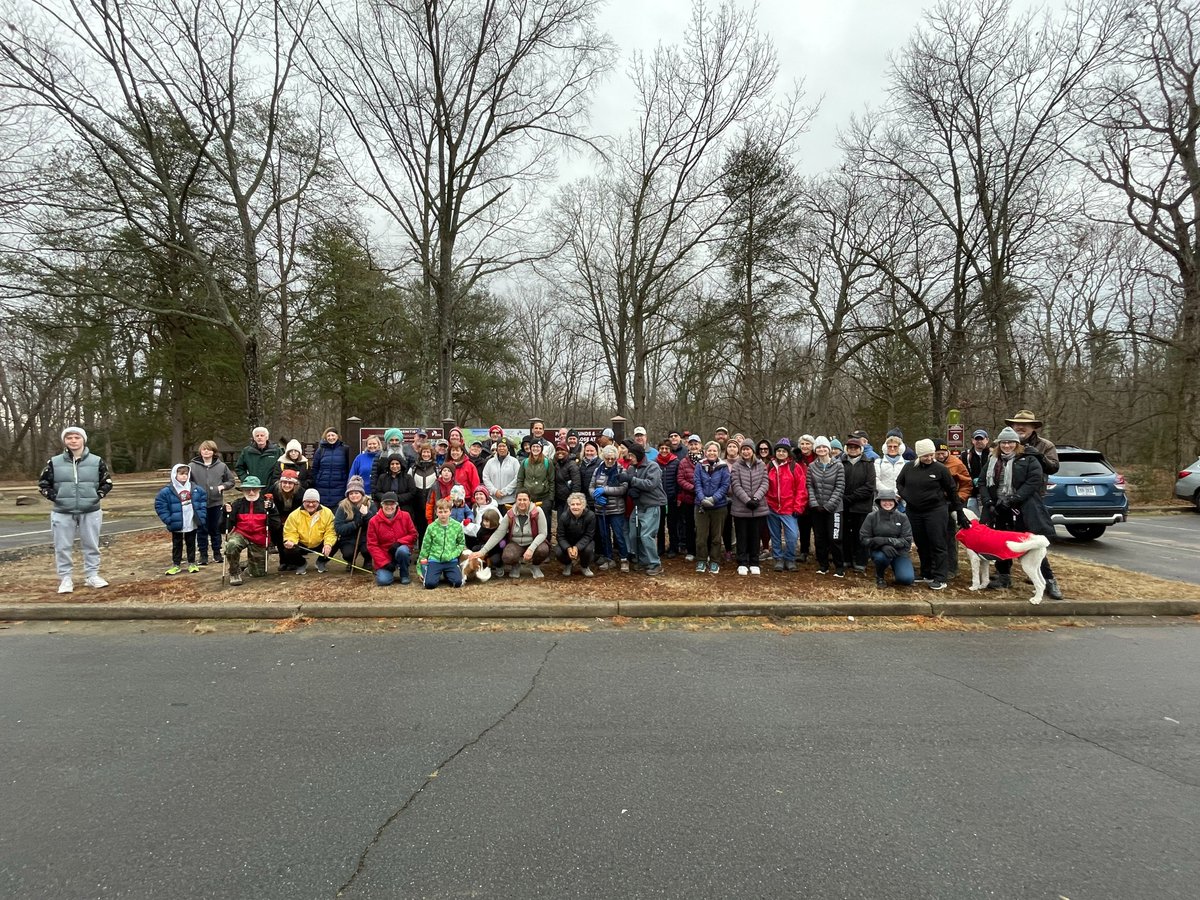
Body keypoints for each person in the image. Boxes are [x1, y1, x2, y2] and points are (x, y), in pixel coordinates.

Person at [981, 426, 1062, 599]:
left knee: (1032, 544)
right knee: (1001, 542)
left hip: (1023, 508)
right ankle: (1004, 576)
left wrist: (1014, 499)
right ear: (999, 444)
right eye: (1003, 442)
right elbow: (982, 482)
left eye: (1010, 442)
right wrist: (988, 501)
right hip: (999, 508)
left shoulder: (1028, 459)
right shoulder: (993, 460)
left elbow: (1034, 481)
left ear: (1016, 444)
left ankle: (1049, 580)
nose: (1007, 445)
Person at [38, 426, 112, 594]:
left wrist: (96, 496)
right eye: (69, 437)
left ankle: (92, 575)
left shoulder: (96, 461)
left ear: (83, 440)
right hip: (62, 512)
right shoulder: (54, 462)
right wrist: (57, 498)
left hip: (91, 510)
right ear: (64, 441)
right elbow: (43, 484)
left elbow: (107, 482)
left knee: (91, 544)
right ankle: (65, 578)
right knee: (62, 546)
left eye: (76, 437)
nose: (73, 440)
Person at [895, 439, 969, 591]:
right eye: (925, 456)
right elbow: (899, 483)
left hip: (935, 510)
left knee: (937, 543)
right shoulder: (909, 467)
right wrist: (906, 495)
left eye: (931, 455)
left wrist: (959, 512)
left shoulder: (940, 469)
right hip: (914, 511)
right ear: (918, 456)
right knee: (921, 543)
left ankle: (941, 577)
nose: (929, 458)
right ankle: (926, 572)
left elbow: (952, 491)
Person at [470, 490, 551, 578]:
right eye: (519, 500)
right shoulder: (510, 514)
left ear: (529, 500)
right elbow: (498, 534)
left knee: (543, 550)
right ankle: (515, 565)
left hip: (533, 542)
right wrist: (483, 551)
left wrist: (531, 548)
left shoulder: (537, 511)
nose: (522, 502)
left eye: (525, 500)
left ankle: (535, 566)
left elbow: (543, 533)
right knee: (507, 556)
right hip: (516, 543)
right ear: (515, 501)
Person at [154, 463, 208, 575]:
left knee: (191, 542)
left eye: (186, 474)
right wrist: (168, 519)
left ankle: (192, 563)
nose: (184, 476)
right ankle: (176, 564)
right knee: (177, 544)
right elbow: (160, 505)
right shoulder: (167, 491)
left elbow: (203, 500)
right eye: (181, 474)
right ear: (175, 474)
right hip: (177, 523)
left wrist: (201, 514)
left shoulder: (195, 488)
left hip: (191, 521)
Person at [623, 442, 666, 576]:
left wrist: (632, 481)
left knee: (646, 535)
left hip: (651, 505)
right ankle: (643, 560)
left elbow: (650, 484)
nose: (630, 458)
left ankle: (655, 564)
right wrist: (630, 489)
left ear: (639, 454)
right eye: (629, 455)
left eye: (632, 455)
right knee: (634, 534)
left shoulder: (652, 466)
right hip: (638, 506)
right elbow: (629, 483)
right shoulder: (631, 468)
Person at [190, 440, 235, 566]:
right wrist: (195, 490)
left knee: (215, 529)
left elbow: (231, 481)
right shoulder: (192, 466)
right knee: (201, 529)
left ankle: (217, 553)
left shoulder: (221, 466)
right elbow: (188, 482)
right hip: (199, 503)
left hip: (215, 502)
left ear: (214, 452)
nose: (206, 452)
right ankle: (203, 555)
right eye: (204, 449)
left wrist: (222, 487)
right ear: (200, 451)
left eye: (209, 449)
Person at [859, 489, 915, 588]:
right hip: (879, 551)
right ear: (879, 502)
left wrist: (886, 541)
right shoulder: (871, 517)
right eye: (884, 500)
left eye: (890, 500)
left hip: (899, 552)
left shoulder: (902, 517)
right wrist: (882, 546)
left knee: (906, 579)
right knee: (881, 557)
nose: (887, 503)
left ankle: (898, 568)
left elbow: (907, 540)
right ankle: (879, 576)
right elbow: (864, 538)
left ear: (895, 502)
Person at [807, 437, 846, 577]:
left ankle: (839, 567)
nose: (821, 450)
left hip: (835, 509)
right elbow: (809, 486)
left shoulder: (838, 465)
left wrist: (830, 505)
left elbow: (840, 487)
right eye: (818, 447)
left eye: (824, 447)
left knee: (835, 538)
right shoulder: (811, 466)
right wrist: (814, 503)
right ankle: (823, 565)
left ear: (829, 449)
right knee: (820, 538)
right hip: (817, 509)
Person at [766, 438, 806, 571]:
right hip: (772, 506)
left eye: (784, 451)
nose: (781, 453)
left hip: (789, 508)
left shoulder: (795, 467)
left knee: (792, 536)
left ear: (788, 453)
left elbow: (801, 489)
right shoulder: (770, 466)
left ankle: (790, 558)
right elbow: (765, 485)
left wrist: (798, 506)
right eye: (779, 451)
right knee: (775, 535)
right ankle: (778, 558)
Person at [729, 440, 768, 575]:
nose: (746, 452)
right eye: (743, 449)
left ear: (752, 451)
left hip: (758, 507)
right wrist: (747, 500)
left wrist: (756, 498)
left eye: (748, 449)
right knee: (742, 536)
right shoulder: (736, 466)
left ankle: (754, 561)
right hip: (741, 507)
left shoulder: (761, 465)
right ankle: (742, 562)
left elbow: (765, 482)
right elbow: (735, 484)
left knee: (755, 536)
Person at [222, 476, 270, 584]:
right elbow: (224, 528)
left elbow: (275, 525)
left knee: (258, 574)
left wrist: (271, 510)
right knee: (231, 545)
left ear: (259, 490)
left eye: (254, 489)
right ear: (243, 490)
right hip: (241, 534)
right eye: (247, 489)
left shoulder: (266, 504)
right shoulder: (237, 504)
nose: (251, 492)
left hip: (259, 537)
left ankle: (247, 564)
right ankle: (234, 572)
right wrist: (225, 514)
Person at [936, 441, 974, 578]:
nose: (941, 456)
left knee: (949, 536)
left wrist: (959, 500)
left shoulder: (956, 464)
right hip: (933, 504)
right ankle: (935, 565)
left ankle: (951, 567)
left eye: (943, 453)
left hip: (950, 503)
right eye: (938, 454)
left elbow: (967, 484)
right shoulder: (929, 463)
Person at [591, 444, 631, 572]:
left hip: (616, 509)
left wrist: (605, 490)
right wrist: (595, 495)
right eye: (607, 458)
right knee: (604, 535)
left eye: (612, 458)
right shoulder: (598, 470)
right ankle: (609, 558)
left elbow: (623, 488)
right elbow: (591, 487)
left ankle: (624, 558)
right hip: (600, 508)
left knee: (619, 535)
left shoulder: (621, 470)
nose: (609, 461)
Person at [694, 440, 731, 574]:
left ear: (719, 452)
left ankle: (715, 560)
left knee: (716, 536)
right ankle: (702, 559)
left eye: (714, 450)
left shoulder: (723, 467)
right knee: (701, 537)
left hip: (719, 506)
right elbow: (697, 482)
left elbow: (725, 485)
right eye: (709, 450)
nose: (712, 453)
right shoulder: (699, 465)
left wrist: (714, 498)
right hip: (701, 506)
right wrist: (702, 498)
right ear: (705, 452)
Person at [367, 491, 418, 586]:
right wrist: (384, 563)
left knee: (402, 551)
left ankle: (404, 573)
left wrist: (399, 542)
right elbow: (372, 545)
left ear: (396, 505)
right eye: (386, 504)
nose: (389, 507)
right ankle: (387, 570)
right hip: (384, 555)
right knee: (383, 581)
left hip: (401, 550)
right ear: (382, 505)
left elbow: (413, 534)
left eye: (392, 504)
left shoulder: (405, 516)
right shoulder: (373, 521)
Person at [840, 436, 875, 575]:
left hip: (862, 506)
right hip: (844, 505)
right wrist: (844, 498)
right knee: (845, 534)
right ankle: (846, 558)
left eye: (855, 448)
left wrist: (852, 497)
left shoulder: (868, 463)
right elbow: (837, 482)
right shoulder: (840, 463)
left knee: (860, 534)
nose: (853, 450)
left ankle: (860, 561)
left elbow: (870, 486)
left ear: (860, 449)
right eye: (850, 448)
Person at [282, 488, 336, 575]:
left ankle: (321, 561)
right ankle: (301, 563)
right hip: (302, 544)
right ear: (303, 502)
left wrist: (328, 544)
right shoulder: (294, 515)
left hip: (320, 543)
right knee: (288, 549)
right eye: (308, 501)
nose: (311, 504)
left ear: (318, 502)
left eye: (314, 502)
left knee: (335, 542)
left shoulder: (327, 513)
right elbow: (290, 532)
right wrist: (290, 540)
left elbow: (331, 531)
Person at [419, 498, 466, 589]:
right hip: (435, 560)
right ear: (436, 513)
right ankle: (434, 574)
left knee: (457, 583)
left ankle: (448, 574)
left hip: (451, 560)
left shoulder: (457, 526)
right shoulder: (431, 527)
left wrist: (453, 554)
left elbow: (461, 544)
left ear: (450, 512)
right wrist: (419, 568)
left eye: (445, 511)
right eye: (440, 512)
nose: (443, 514)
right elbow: (425, 547)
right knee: (430, 584)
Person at [332, 476, 374, 572]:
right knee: (348, 553)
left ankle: (368, 560)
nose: (354, 495)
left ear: (362, 494)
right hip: (348, 538)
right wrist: (355, 524)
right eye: (351, 493)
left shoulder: (369, 504)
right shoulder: (342, 507)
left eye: (356, 493)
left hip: (365, 537)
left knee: (367, 549)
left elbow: (374, 524)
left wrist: (367, 514)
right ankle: (350, 561)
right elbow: (338, 528)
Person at [266, 469, 304, 570]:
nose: (287, 485)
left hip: (294, 517)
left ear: (295, 484)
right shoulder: (274, 490)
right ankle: (283, 561)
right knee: (279, 537)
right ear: (280, 482)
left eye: (290, 483)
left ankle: (293, 561)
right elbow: (265, 500)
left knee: (292, 537)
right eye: (284, 482)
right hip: (278, 516)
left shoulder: (301, 492)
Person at [675, 434, 702, 561]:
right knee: (690, 526)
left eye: (696, 444)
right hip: (689, 498)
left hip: (703, 499)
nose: (694, 446)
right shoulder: (683, 462)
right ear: (688, 446)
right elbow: (680, 479)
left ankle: (702, 550)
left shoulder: (706, 460)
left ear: (700, 445)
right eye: (691, 444)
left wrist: (702, 490)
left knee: (702, 527)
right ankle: (691, 550)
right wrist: (693, 488)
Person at [556, 492, 597, 577]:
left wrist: (577, 547)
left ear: (583, 505)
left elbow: (589, 535)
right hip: (568, 542)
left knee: (589, 550)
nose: (575, 507)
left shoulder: (591, 516)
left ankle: (584, 566)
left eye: (578, 504)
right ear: (569, 505)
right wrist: (568, 548)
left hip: (584, 542)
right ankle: (568, 564)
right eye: (573, 504)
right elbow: (560, 536)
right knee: (558, 552)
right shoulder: (564, 517)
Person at [311, 428, 351, 509]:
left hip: (340, 486)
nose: (330, 437)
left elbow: (348, 467)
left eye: (333, 435)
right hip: (322, 486)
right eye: (328, 435)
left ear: (338, 436)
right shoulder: (321, 450)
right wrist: (316, 480)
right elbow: (315, 468)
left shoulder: (345, 449)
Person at [793, 434, 816, 563]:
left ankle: (821, 551)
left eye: (807, 443)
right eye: (802, 444)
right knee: (803, 526)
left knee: (818, 527)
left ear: (812, 446)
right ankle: (804, 551)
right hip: (802, 497)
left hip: (816, 496)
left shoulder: (817, 457)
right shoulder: (796, 460)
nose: (805, 446)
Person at [657, 439, 682, 558]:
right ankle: (660, 547)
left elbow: (679, 481)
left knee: (672, 524)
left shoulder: (676, 462)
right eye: (662, 448)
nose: (664, 451)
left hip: (672, 498)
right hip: (658, 499)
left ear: (670, 450)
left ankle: (673, 547)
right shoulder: (654, 463)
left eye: (666, 448)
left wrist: (678, 496)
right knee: (659, 525)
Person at [516, 439, 555, 513]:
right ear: (530, 448)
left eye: (538, 447)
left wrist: (551, 499)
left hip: (544, 497)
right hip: (529, 497)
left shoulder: (547, 462)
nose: (535, 449)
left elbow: (551, 481)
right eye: (533, 446)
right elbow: (520, 479)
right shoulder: (525, 462)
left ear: (541, 449)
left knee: (545, 520)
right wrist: (519, 495)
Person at [483, 437, 519, 510]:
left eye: (504, 446)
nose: (501, 448)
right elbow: (486, 478)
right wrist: (494, 491)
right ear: (497, 448)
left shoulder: (514, 462)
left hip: (509, 500)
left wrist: (504, 492)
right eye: (499, 446)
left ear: (508, 448)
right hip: (493, 500)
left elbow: (517, 478)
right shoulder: (490, 462)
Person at [960, 429, 991, 514]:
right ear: (972, 441)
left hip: (989, 493)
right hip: (972, 493)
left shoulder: (993, 455)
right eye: (977, 439)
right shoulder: (965, 455)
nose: (979, 441)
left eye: (981, 439)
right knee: (973, 518)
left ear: (987, 440)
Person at [553, 442, 582, 520]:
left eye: (562, 450)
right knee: (560, 522)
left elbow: (577, 484)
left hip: (569, 500)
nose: (559, 452)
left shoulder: (572, 465)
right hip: (560, 500)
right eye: (558, 450)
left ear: (567, 452)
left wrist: (572, 500)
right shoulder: (557, 465)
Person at [349, 434, 382, 498]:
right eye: (369, 444)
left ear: (378, 445)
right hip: (362, 494)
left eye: (374, 444)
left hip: (379, 494)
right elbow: (352, 476)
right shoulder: (359, 458)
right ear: (366, 445)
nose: (372, 446)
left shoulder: (383, 457)